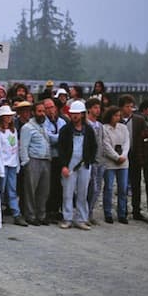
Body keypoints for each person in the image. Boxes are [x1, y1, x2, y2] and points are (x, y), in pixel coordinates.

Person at [57, 101, 97, 230]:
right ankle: (67, 218)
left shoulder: (89, 130)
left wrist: (89, 160)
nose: (74, 116)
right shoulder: (65, 130)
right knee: (67, 193)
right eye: (72, 113)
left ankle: (81, 218)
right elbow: (61, 149)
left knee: (82, 192)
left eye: (77, 114)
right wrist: (63, 165)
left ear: (82, 114)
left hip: (84, 165)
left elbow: (93, 147)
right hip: (69, 164)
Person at [19, 101, 52, 226]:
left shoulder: (44, 126)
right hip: (33, 160)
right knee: (30, 190)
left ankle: (41, 215)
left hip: (45, 160)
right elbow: (23, 147)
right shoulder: (27, 127)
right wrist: (26, 163)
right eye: (39, 111)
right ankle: (30, 215)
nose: (42, 114)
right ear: (33, 112)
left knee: (44, 190)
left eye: (43, 111)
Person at [118, 94, 147, 221]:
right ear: (121, 107)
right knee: (122, 185)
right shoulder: (116, 119)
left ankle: (136, 210)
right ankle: (122, 211)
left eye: (131, 106)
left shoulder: (139, 120)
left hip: (135, 155)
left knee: (136, 184)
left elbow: (144, 138)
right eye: (127, 106)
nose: (130, 109)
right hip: (119, 156)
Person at [0, 105, 26, 226]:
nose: (9, 118)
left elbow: (15, 148)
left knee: (12, 190)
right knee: (1, 189)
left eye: (10, 116)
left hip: (12, 163)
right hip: (3, 163)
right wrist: (0, 166)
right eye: (7, 116)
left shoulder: (13, 131)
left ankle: (16, 213)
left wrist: (17, 164)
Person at [102, 106, 130, 224]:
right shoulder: (104, 129)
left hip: (123, 162)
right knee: (108, 187)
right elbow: (106, 145)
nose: (118, 118)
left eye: (119, 115)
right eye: (115, 115)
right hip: (110, 162)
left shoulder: (123, 128)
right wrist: (116, 157)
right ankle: (108, 212)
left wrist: (123, 155)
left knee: (123, 188)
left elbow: (127, 142)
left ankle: (122, 213)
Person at [43, 97, 66, 223]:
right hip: (49, 157)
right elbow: (49, 138)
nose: (51, 110)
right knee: (48, 185)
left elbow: (66, 136)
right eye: (47, 108)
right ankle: (47, 210)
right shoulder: (44, 123)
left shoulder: (62, 122)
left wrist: (60, 138)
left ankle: (56, 209)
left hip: (60, 158)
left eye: (52, 107)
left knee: (59, 185)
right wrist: (61, 138)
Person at [85, 98, 105, 225]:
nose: (97, 110)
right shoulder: (86, 125)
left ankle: (90, 212)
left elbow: (102, 142)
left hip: (100, 160)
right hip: (90, 160)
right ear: (89, 109)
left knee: (97, 189)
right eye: (95, 108)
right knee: (90, 187)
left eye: (99, 108)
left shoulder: (100, 126)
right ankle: (84, 213)